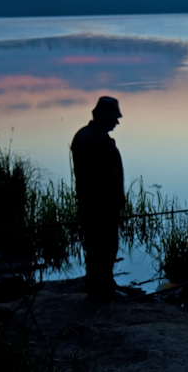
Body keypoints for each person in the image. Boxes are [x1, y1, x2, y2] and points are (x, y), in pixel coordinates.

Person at [71, 96, 127, 301]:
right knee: (105, 247)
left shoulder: (83, 135)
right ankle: (102, 289)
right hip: (101, 206)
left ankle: (100, 285)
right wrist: (115, 201)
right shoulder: (98, 139)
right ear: (105, 116)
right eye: (115, 117)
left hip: (89, 204)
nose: (117, 122)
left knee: (95, 247)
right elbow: (106, 177)